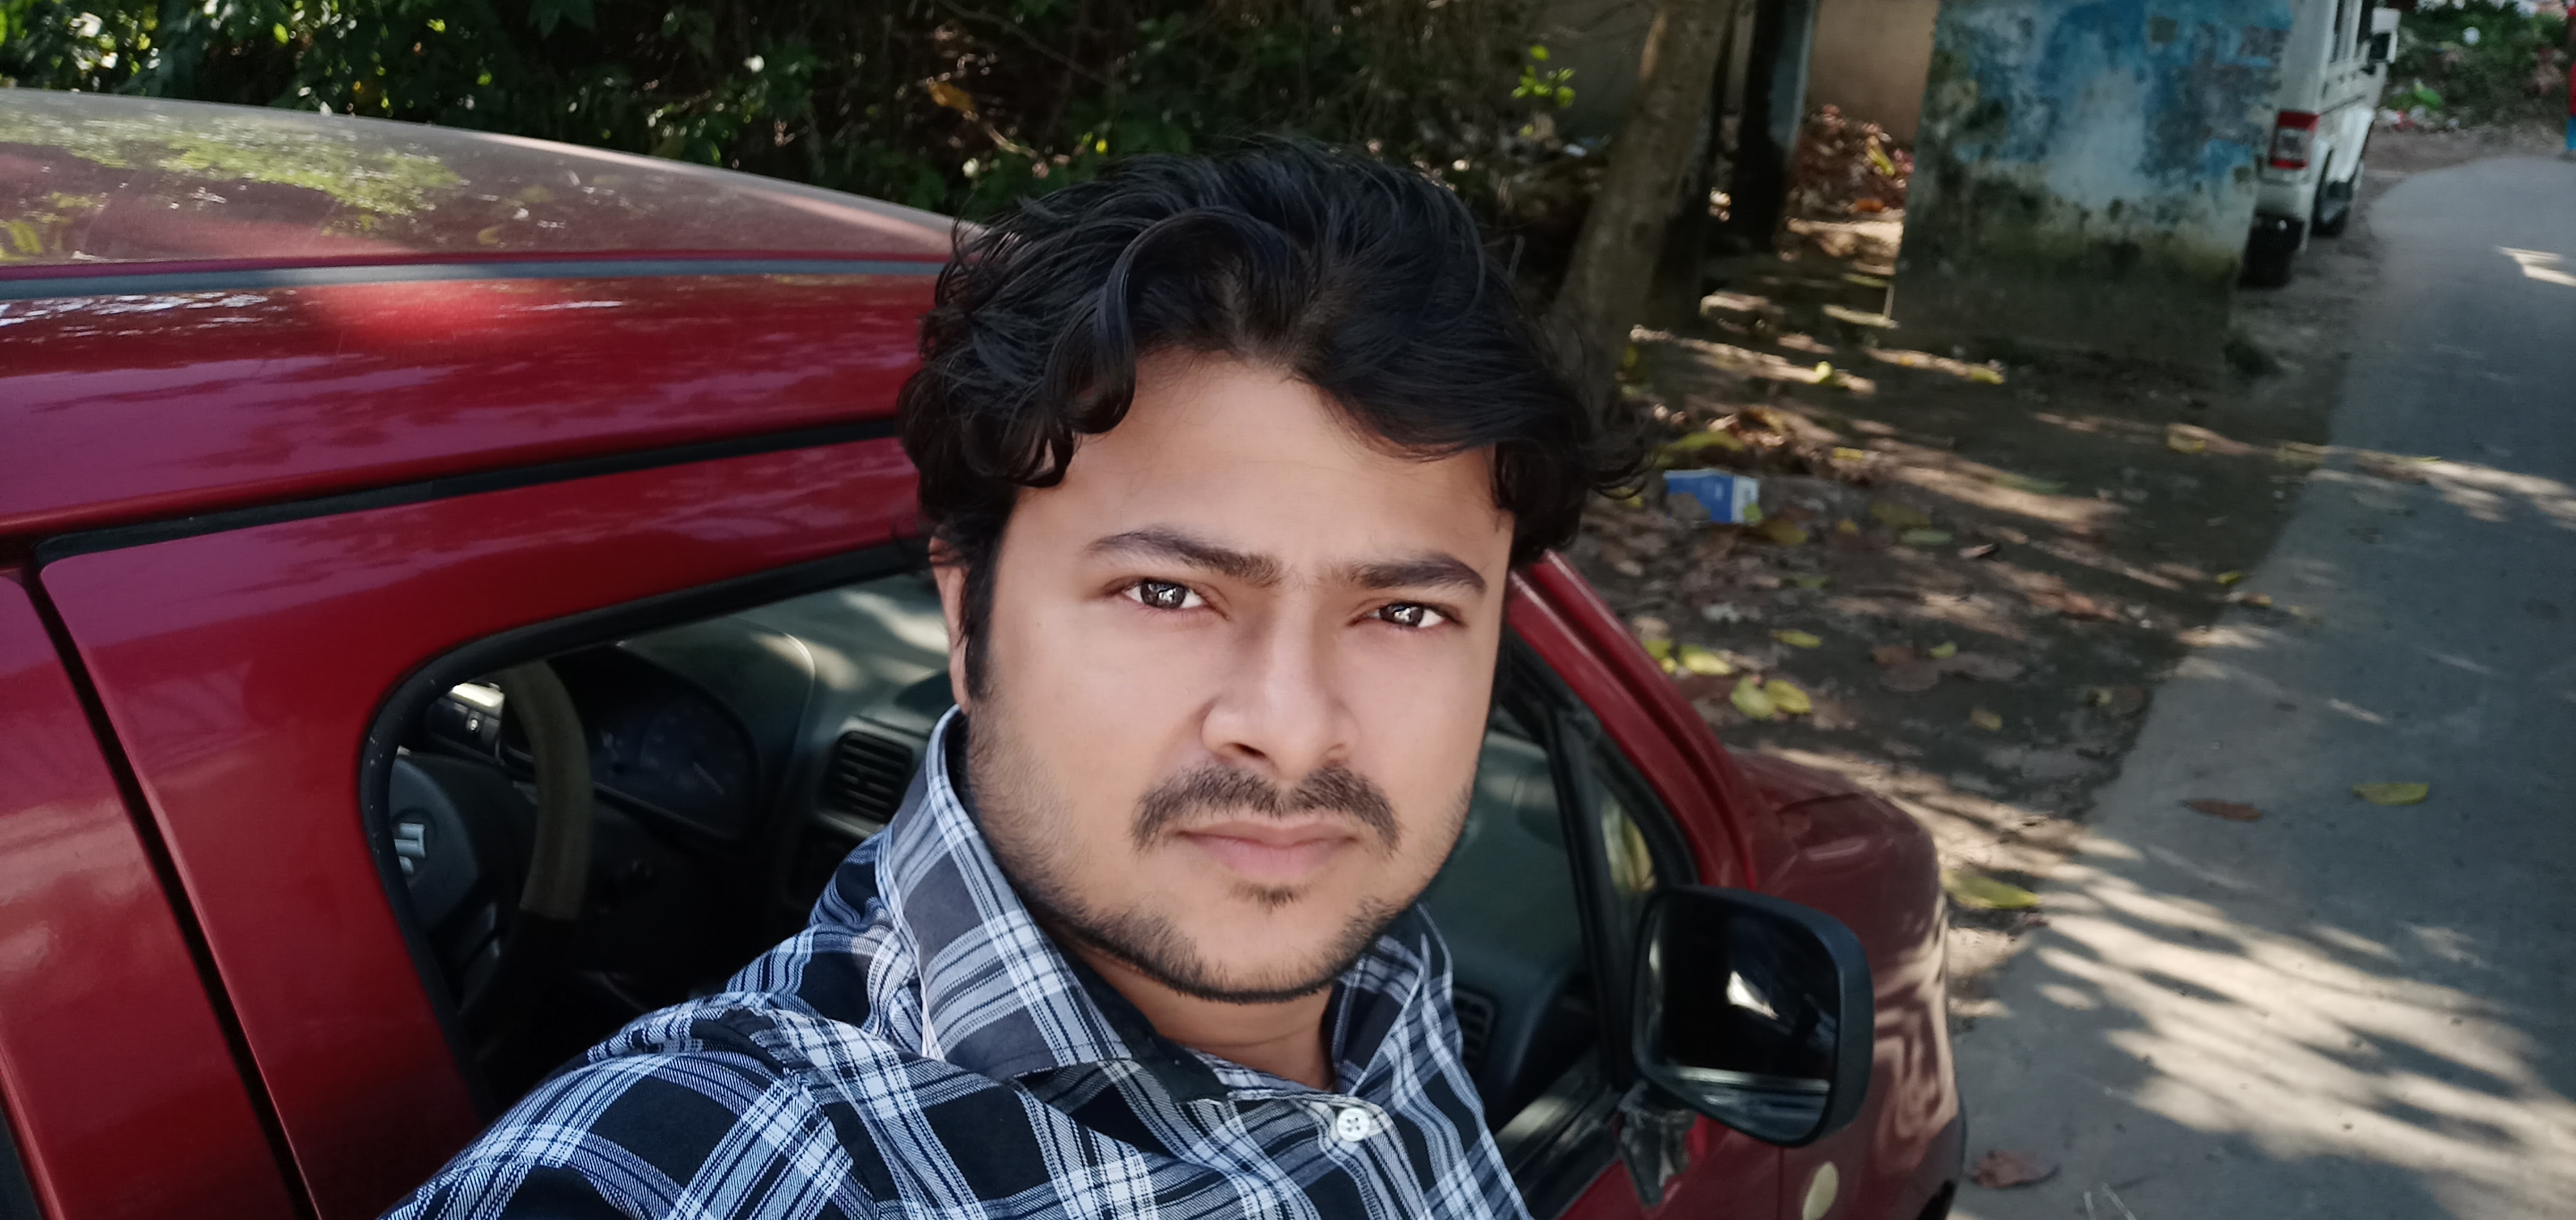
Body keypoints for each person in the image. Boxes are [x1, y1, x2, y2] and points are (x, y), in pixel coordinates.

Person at [381, 143, 1627, 1218]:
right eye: (1166, 593)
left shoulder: (1377, 971)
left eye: (1404, 612)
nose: (1294, 736)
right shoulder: (715, 1165)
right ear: (967, 613)